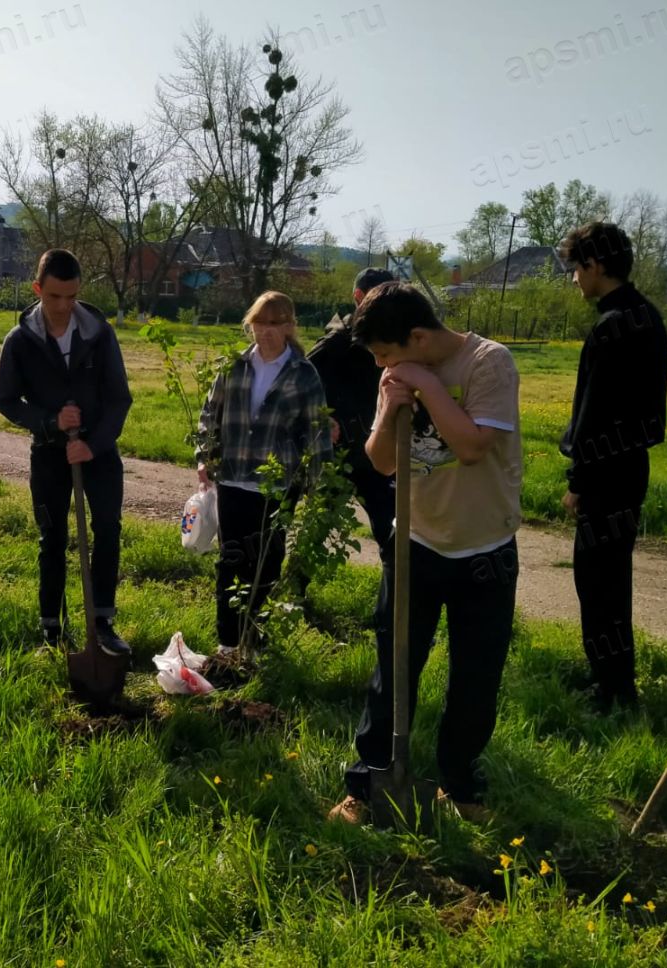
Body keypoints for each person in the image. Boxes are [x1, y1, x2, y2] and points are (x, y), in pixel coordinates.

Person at [328, 283, 522, 825]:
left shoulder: (489, 363)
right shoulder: (396, 373)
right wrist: (391, 406)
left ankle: (460, 787)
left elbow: (472, 446)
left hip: (484, 548)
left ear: (418, 337)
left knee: (476, 675)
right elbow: (381, 461)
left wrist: (428, 387)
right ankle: (369, 785)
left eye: (387, 355)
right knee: (394, 668)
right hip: (415, 543)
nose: (382, 366)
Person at [0, 248, 133, 655]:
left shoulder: (99, 334)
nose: (63, 306)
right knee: (51, 537)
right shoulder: (20, 341)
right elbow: (6, 402)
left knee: (108, 530)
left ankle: (102, 623)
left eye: (71, 297)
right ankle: (51, 630)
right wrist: (51, 421)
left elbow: (119, 399)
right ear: (38, 289)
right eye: (54, 297)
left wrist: (92, 445)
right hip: (50, 454)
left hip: (98, 451)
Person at [557, 221, 667, 714]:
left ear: (595, 265)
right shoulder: (648, 315)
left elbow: (595, 411)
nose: (574, 280)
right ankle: (614, 679)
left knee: (596, 580)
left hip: (604, 473)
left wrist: (579, 479)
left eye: (576, 270)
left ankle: (612, 690)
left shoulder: (610, 326)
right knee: (612, 577)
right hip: (631, 467)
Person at [196, 290, 333, 655]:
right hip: (234, 478)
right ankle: (227, 644)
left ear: (289, 326)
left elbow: (316, 430)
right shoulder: (234, 366)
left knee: (266, 564)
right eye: (260, 322)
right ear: (250, 324)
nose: (267, 331)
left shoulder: (304, 374)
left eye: (275, 323)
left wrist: (318, 485)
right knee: (230, 561)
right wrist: (205, 457)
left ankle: (254, 645)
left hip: (277, 485)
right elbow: (210, 413)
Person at [306, 267, 399, 551]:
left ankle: (397, 594)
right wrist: (323, 417)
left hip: (378, 454)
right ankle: (294, 594)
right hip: (340, 455)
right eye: (379, 297)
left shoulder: (393, 338)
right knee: (315, 533)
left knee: (393, 534)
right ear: (359, 297)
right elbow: (300, 380)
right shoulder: (337, 341)